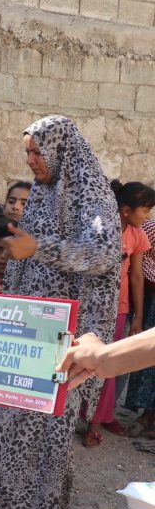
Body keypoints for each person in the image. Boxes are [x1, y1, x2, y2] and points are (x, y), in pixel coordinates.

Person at [0, 115, 120, 509]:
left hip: (61, 343)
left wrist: (39, 249)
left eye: (37, 151)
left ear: (61, 149)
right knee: (6, 432)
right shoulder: (45, 193)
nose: (30, 160)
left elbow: (104, 254)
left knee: (40, 445)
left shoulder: (93, 197)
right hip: (24, 334)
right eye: (27, 151)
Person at [83, 181, 155, 446]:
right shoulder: (101, 229)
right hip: (89, 305)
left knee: (108, 365)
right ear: (126, 210)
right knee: (80, 359)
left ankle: (95, 423)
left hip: (119, 308)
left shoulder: (138, 235)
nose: (148, 216)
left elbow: (136, 276)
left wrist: (137, 317)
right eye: (145, 210)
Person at [123, 213, 155, 438]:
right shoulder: (151, 228)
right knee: (148, 358)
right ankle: (144, 416)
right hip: (151, 302)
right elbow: (140, 262)